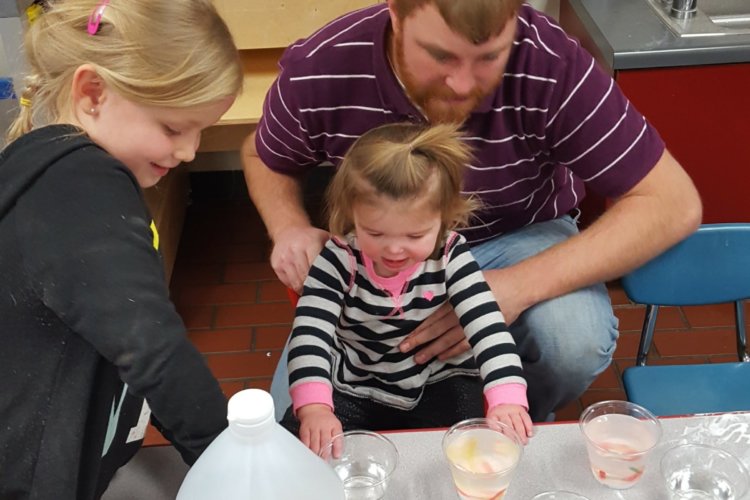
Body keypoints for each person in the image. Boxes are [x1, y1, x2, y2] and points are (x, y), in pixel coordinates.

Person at [242, 0, 702, 423]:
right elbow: (263, 154)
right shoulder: (324, 65)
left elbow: (672, 202)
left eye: (488, 58)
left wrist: (514, 289)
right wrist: (288, 227)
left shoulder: (551, 60)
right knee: (296, 416)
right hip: (376, 255)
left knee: (572, 340)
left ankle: (505, 425)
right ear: (396, 16)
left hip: (520, 234)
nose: (463, 85)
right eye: (440, 56)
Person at [0, 0, 242, 498]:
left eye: (201, 130)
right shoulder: (79, 182)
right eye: (174, 128)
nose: (190, 151)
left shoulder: (55, 172)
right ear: (92, 93)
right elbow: (152, 346)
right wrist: (238, 460)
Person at [280, 122, 532, 454]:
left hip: (439, 381)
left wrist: (506, 397)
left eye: (415, 236)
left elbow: (488, 327)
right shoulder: (339, 259)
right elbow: (310, 334)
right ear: (351, 216)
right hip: (356, 385)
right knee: (295, 441)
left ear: (445, 219)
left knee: (467, 447)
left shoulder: (450, 253)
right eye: (376, 233)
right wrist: (315, 408)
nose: (395, 251)